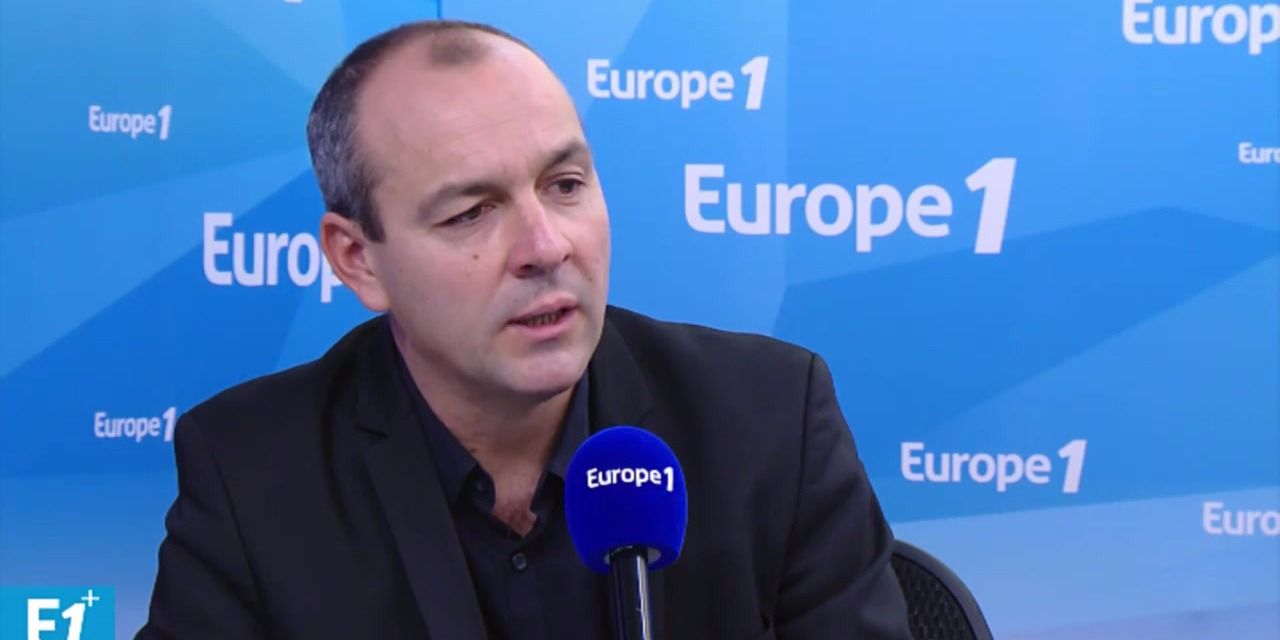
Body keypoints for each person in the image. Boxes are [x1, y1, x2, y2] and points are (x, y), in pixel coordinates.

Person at [137, 19, 910, 640]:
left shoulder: (771, 422)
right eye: (471, 212)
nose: (547, 247)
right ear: (357, 260)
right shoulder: (251, 473)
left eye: (565, 185)